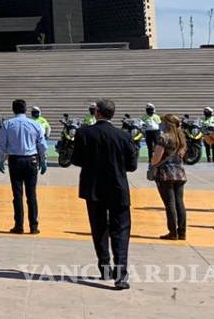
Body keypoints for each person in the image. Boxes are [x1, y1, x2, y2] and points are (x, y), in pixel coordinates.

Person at [71, 98, 138, 289]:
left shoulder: (84, 133)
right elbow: (132, 166)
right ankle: (121, 275)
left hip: (93, 188)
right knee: (121, 230)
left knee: (99, 228)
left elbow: (76, 160)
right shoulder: (123, 136)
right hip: (118, 188)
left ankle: (105, 268)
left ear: (97, 112)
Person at [0, 99, 48, 235]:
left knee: (17, 194)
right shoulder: (35, 124)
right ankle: (34, 226)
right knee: (32, 195)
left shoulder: (7, 124)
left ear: (13, 110)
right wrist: (43, 160)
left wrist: (0, 160)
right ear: (25, 110)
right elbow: (42, 144)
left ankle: (19, 226)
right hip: (31, 160)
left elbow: (1, 144)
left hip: (15, 160)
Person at [150, 114, 187, 240]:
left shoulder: (164, 137)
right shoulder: (181, 138)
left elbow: (157, 158)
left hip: (165, 174)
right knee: (179, 203)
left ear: (167, 124)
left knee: (170, 203)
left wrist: (152, 165)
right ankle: (182, 232)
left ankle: (173, 232)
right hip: (179, 173)